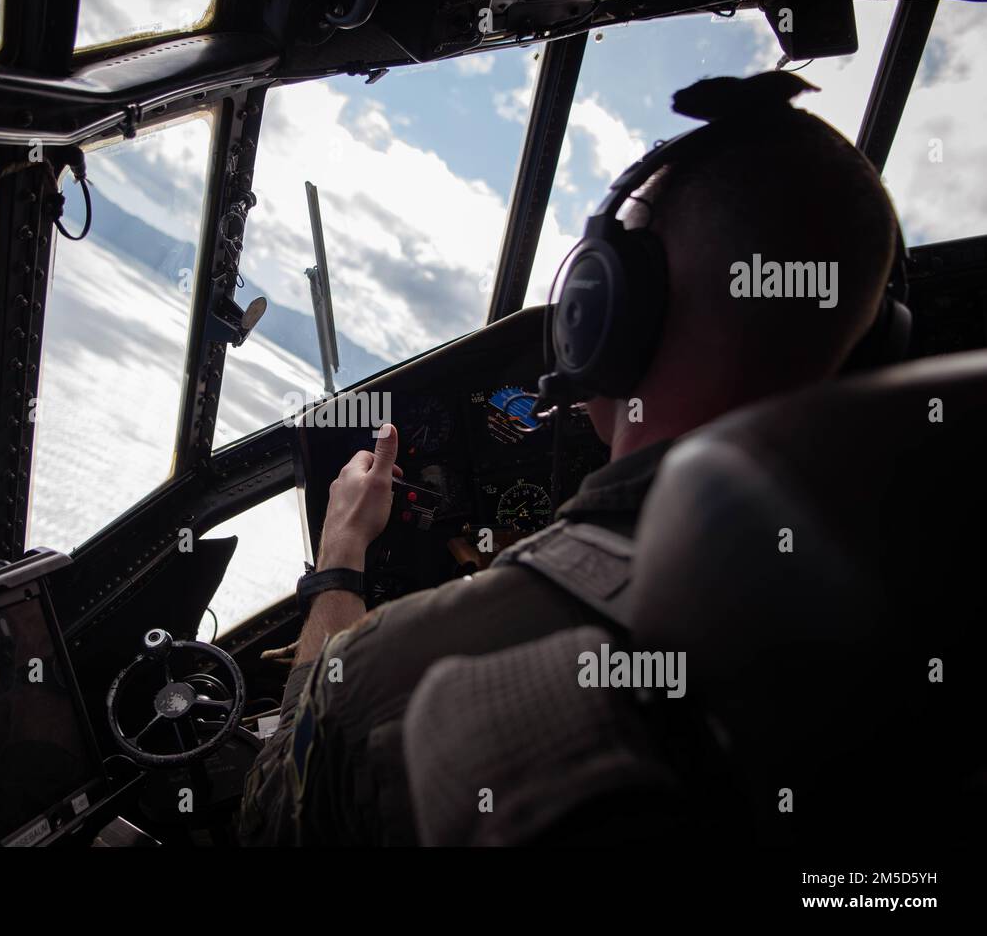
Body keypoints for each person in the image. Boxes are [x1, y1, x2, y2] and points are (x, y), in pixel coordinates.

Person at [238, 73, 900, 845]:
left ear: (603, 314)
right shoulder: (925, 570)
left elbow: (270, 815)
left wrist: (342, 559)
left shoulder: (403, 671)